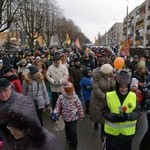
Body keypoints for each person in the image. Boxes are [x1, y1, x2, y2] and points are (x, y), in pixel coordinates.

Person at [102, 69, 140, 150]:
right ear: (117, 86)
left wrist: (127, 117)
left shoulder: (133, 96)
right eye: (121, 87)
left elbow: (137, 112)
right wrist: (112, 117)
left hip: (127, 134)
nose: (124, 89)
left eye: (126, 87)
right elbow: (104, 111)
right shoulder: (109, 95)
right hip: (111, 134)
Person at [53, 82, 84, 150]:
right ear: (65, 91)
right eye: (69, 92)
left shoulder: (75, 96)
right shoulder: (61, 97)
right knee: (67, 129)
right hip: (65, 116)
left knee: (73, 131)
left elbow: (79, 106)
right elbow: (57, 106)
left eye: (71, 91)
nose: (70, 93)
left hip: (74, 117)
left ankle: (74, 146)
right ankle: (68, 138)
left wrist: (81, 115)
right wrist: (55, 112)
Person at [89, 63, 115, 141]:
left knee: (104, 117)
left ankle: (102, 134)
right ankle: (96, 123)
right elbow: (96, 88)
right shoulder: (96, 76)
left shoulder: (110, 75)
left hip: (106, 97)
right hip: (97, 98)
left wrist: (114, 85)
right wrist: (104, 97)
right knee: (97, 114)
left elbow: (111, 86)